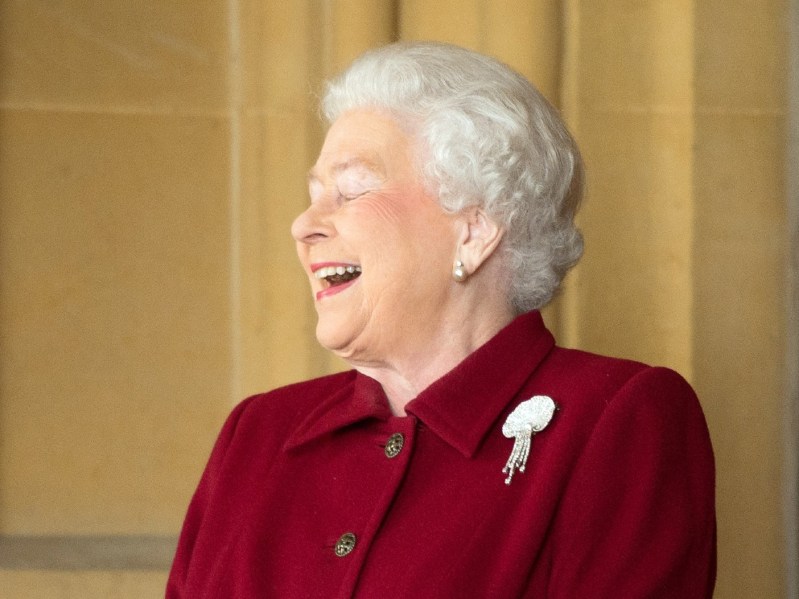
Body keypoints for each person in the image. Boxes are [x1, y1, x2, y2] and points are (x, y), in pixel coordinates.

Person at [166, 41, 716, 598]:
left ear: (474, 231)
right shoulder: (258, 433)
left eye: (352, 190)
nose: (303, 225)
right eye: (314, 195)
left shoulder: (618, 419)